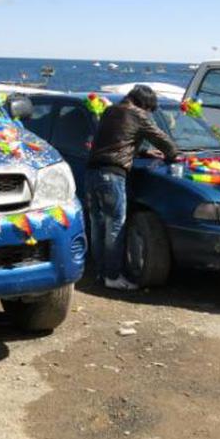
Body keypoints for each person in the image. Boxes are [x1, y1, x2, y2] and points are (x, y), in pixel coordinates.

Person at [87, 85, 179, 290]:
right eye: (149, 109)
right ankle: (113, 276)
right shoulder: (138, 114)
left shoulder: (110, 111)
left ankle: (100, 273)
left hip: (92, 172)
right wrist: (173, 155)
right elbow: (163, 140)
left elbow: (117, 141)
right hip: (112, 175)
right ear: (144, 105)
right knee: (115, 225)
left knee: (98, 224)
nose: (148, 113)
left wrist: (145, 154)